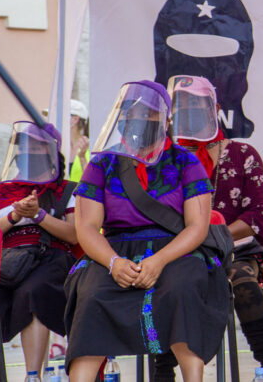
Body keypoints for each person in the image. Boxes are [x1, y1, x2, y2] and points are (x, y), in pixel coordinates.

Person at [64, 80, 230, 382]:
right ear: (122, 117)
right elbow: (86, 227)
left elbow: (197, 225)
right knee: (91, 295)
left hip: (176, 250)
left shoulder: (185, 161)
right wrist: (113, 263)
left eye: (149, 114)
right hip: (114, 252)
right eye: (131, 114)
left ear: (165, 120)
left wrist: (159, 261)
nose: (138, 120)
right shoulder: (103, 163)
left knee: (182, 289)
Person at [152, 75, 263, 382]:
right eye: (183, 104)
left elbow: (258, 217)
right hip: (178, 253)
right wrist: (189, 240)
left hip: (235, 252)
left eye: (198, 102)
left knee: (244, 285)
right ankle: (162, 369)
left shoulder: (243, 154)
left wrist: (207, 236)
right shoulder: (161, 160)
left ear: (215, 108)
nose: (190, 109)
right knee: (169, 287)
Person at [0, 122, 77, 382]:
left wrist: (38, 215)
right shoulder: (2, 191)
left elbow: (74, 234)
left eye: (36, 147)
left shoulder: (67, 189)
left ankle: (32, 376)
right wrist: (14, 215)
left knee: (35, 293)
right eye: (26, 147)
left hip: (50, 257)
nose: (30, 153)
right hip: (6, 260)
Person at [69, 99, 91, 183]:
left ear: (75, 119)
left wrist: (82, 158)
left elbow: (93, 182)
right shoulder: (56, 146)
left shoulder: (90, 148)